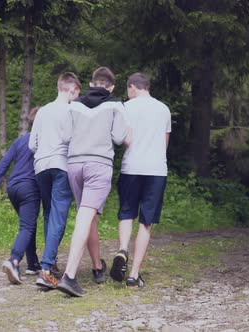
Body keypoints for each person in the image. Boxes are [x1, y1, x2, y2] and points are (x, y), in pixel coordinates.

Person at [56, 67, 129, 297]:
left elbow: (66, 136)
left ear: (91, 83)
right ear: (112, 86)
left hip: (75, 165)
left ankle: (98, 267)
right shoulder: (116, 104)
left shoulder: (75, 104)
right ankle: (69, 276)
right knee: (85, 218)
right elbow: (118, 137)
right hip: (98, 165)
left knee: (88, 218)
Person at [29, 72, 103, 289]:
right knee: (58, 217)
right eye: (77, 93)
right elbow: (74, 139)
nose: (77, 97)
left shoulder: (42, 112)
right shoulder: (72, 110)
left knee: (49, 214)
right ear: (72, 89)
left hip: (41, 166)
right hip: (61, 165)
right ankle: (46, 269)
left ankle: (49, 265)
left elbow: (31, 145)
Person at [109, 72, 171, 288]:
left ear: (132, 87)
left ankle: (123, 249)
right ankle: (134, 275)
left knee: (127, 213)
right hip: (156, 169)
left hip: (131, 167)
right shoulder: (163, 109)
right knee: (146, 222)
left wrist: (135, 146)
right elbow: (165, 143)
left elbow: (124, 139)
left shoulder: (126, 107)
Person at [0, 106, 42, 285]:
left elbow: (5, 162)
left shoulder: (20, 141)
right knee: (27, 227)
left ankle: (32, 263)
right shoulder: (44, 142)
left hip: (13, 187)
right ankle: (14, 260)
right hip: (29, 187)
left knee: (28, 223)